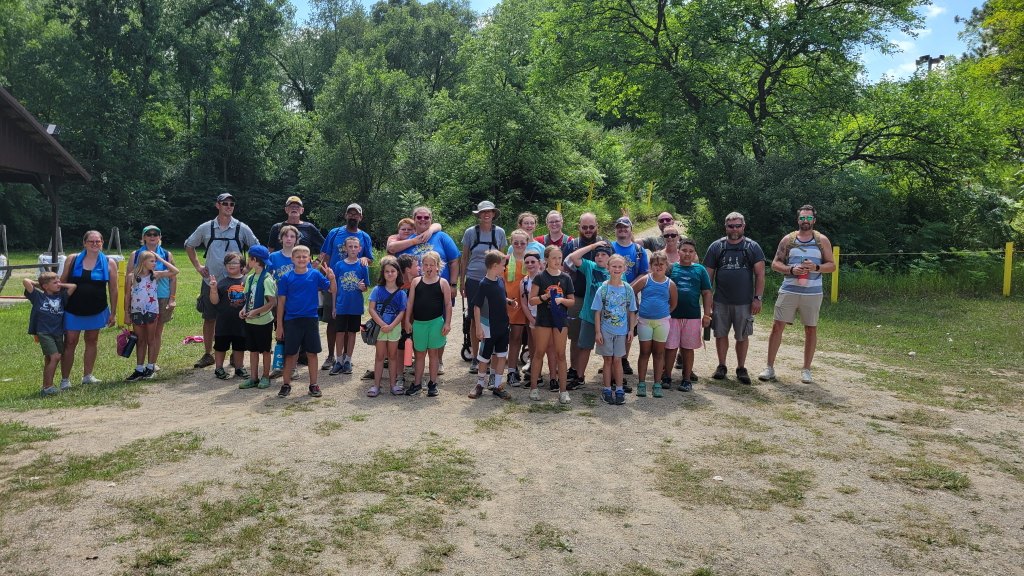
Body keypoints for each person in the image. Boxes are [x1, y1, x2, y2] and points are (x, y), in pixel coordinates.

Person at [760, 205, 835, 384]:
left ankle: (806, 370)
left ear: (814, 221)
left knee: (810, 329)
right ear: (798, 219)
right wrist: (791, 269)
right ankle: (769, 368)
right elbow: (775, 263)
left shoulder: (822, 240)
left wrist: (816, 267)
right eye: (802, 218)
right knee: (777, 326)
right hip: (789, 290)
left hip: (813, 293)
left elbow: (831, 265)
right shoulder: (788, 239)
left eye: (809, 218)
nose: (805, 221)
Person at [184, 193, 260, 369]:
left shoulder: (241, 228)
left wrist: (247, 269)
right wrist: (197, 266)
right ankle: (208, 354)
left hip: (236, 283)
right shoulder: (206, 228)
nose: (229, 206)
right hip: (211, 281)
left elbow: (256, 247)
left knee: (237, 318)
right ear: (217, 205)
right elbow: (189, 245)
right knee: (210, 317)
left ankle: (235, 354)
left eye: (232, 204)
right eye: (225, 203)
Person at [389, 206, 461, 374]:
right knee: (416, 325)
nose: (423, 220)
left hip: (440, 289)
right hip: (416, 290)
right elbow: (396, 257)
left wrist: (453, 285)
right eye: (419, 217)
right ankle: (418, 359)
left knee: (440, 324)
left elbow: (454, 261)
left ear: (431, 218)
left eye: (426, 217)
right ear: (414, 219)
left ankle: (439, 360)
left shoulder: (441, 237)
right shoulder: (408, 240)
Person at [702, 211, 765, 385]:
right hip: (720, 301)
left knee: (742, 336)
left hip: (744, 302)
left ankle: (741, 367)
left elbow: (760, 275)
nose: (735, 229)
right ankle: (721, 365)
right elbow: (708, 277)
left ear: (743, 226)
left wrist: (757, 298)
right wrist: (709, 300)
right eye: (731, 226)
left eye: (738, 225)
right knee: (720, 334)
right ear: (726, 227)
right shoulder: (716, 247)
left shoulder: (752, 247)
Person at [275, 246, 337, 398]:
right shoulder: (286, 278)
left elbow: (332, 290)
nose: (302, 259)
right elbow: (281, 303)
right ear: (292, 259)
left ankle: (314, 384)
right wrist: (279, 326)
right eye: (298, 257)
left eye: (305, 256)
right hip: (292, 320)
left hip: (310, 319)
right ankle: (286, 384)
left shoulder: (315, 275)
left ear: (309, 259)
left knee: (312, 353)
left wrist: (332, 278)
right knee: (290, 354)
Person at [60, 230, 119, 387]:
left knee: (92, 340)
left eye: (98, 241)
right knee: (70, 342)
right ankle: (65, 379)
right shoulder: (72, 259)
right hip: (73, 309)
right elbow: (61, 282)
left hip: (97, 309)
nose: (95, 244)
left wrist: (113, 312)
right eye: (91, 241)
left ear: (102, 243)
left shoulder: (109, 262)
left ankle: (87, 376)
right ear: (84, 243)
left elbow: (113, 289)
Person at [321, 203, 374, 370]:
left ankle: (346, 358)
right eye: (350, 213)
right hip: (334, 283)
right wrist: (323, 278)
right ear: (345, 215)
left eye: (356, 214)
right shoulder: (334, 233)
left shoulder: (364, 237)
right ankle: (332, 356)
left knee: (350, 326)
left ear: (361, 217)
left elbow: (368, 259)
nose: (353, 216)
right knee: (333, 321)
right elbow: (325, 255)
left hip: (353, 287)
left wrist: (366, 260)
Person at [459, 200, 507, 374]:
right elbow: (464, 258)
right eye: (483, 212)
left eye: (489, 212)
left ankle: (490, 354)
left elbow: (502, 259)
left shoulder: (500, 232)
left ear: (494, 214)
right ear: (478, 215)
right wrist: (461, 280)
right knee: (474, 318)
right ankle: (475, 357)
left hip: (493, 281)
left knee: (493, 317)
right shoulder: (470, 233)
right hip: (473, 279)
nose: (486, 215)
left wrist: (502, 279)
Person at [528, 245, 575, 404]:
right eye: (553, 258)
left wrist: (561, 300)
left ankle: (563, 391)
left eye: (559, 258)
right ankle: (534, 388)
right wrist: (546, 296)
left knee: (561, 354)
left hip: (560, 321)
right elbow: (531, 300)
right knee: (539, 353)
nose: (557, 261)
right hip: (544, 320)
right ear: (546, 260)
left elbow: (571, 302)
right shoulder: (540, 278)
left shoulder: (566, 278)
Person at [123, 250, 179, 381]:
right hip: (137, 311)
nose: (155, 263)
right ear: (143, 262)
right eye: (152, 261)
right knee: (140, 340)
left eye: (155, 261)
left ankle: (150, 367)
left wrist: (161, 259)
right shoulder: (131, 276)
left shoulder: (155, 275)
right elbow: (127, 295)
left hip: (151, 310)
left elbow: (175, 271)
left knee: (151, 339)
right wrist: (126, 313)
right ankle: (139, 369)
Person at [666, 239, 713, 392]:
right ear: (678, 252)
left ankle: (686, 379)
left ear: (694, 254)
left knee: (687, 348)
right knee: (670, 347)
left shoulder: (700, 270)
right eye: (684, 250)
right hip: (672, 315)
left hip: (692, 316)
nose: (687, 253)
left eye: (690, 251)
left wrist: (707, 314)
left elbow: (706, 292)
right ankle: (666, 377)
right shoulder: (671, 268)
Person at [404, 251, 453, 397]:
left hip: (436, 323)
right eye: (425, 264)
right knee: (419, 355)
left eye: (432, 264)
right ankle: (417, 383)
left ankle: (432, 383)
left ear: (438, 266)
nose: (429, 267)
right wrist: (407, 320)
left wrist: (448, 323)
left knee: (433, 355)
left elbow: (448, 304)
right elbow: (410, 303)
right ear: (422, 266)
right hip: (419, 324)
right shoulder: (416, 282)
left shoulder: (443, 282)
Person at [468, 250, 515, 400]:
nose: (504, 268)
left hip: (502, 326)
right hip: (488, 327)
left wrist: (508, 301)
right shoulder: (484, 284)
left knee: (501, 356)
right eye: (503, 265)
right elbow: (476, 306)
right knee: (484, 358)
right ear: (495, 266)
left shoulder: (500, 280)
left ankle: (497, 386)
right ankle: (480, 384)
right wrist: (479, 327)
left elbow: (500, 296)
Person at [565, 241, 612, 390]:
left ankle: (612, 378)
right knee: (584, 347)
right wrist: (593, 245)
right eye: (597, 255)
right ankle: (579, 377)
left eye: (603, 254)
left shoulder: (615, 271)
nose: (599, 257)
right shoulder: (590, 267)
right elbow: (573, 257)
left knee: (609, 351)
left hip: (608, 319)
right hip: (589, 316)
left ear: (610, 258)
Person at [562, 212, 603, 384]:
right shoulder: (572, 245)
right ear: (579, 227)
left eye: (591, 227)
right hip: (578, 297)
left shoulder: (605, 244)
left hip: (601, 300)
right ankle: (574, 370)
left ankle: (613, 373)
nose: (588, 230)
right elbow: (565, 267)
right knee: (576, 336)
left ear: (597, 227)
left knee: (606, 335)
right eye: (584, 227)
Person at [631, 251, 677, 397]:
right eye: (655, 265)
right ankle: (642, 383)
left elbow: (674, 303)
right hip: (644, 321)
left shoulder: (670, 284)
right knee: (644, 352)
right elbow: (632, 291)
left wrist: (663, 312)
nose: (658, 267)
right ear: (651, 266)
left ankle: (657, 383)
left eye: (661, 264)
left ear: (666, 266)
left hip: (662, 322)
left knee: (658, 353)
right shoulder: (645, 279)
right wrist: (636, 309)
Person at [593, 255, 638, 405]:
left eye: (620, 267)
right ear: (608, 267)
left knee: (618, 360)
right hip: (605, 330)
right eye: (614, 266)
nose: (617, 269)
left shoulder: (628, 289)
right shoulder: (603, 288)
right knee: (607, 360)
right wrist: (598, 332)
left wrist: (631, 330)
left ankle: (619, 389)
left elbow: (632, 311)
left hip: (622, 331)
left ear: (624, 269)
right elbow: (597, 311)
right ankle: (606, 389)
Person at [23, 272, 76, 395]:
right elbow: (26, 281)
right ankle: (48, 387)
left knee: (50, 359)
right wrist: (40, 285)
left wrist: (58, 284)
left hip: (57, 332)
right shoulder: (37, 296)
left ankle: (47, 385)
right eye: (55, 283)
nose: (58, 284)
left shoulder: (61, 296)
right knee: (55, 357)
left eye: (59, 282)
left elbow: (73, 286)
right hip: (44, 332)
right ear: (45, 286)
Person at [610, 216, 648, 376]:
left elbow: (644, 273)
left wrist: (628, 288)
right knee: (610, 326)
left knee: (628, 327)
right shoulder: (609, 247)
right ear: (615, 230)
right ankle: (610, 358)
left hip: (631, 295)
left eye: (625, 227)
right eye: (619, 227)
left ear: (631, 229)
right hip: (610, 295)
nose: (622, 230)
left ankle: (623, 359)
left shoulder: (639, 251)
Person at [366, 256, 408, 397]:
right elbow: (371, 309)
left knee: (393, 356)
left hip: (394, 328)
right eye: (387, 271)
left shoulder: (401, 293)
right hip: (380, 328)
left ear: (398, 273)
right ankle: (376, 385)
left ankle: (393, 385)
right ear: (383, 274)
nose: (390, 274)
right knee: (379, 356)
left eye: (393, 271)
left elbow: (402, 312)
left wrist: (391, 325)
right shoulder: (377, 290)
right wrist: (383, 324)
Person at [329, 236, 370, 375]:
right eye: (350, 246)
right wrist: (334, 306)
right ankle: (339, 360)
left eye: (355, 246)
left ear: (360, 249)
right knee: (339, 333)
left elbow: (366, 288)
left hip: (355, 306)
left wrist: (362, 287)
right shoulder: (339, 265)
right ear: (345, 248)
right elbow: (335, 288)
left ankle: (348, 360)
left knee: (352, 333)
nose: (353, 249)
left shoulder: (363, 266)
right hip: (341, 305)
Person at [239, 246, 277, 390]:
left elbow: (272, 302)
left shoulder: (267, 279)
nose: (248, 261)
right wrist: (243, 310)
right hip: (250, 321)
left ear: (255, 260)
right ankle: (253, 377)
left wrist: (256, 312)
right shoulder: (250, 277)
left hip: (263, 322)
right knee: (253, 350)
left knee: (265, 351)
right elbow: (247, 298)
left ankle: (265, 377)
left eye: (249, 258)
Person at [208, 252, 248, 381]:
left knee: (239, 346)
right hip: (223, 322)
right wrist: (213, 289)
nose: (231, 265)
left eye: (235, 262)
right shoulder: (222, 283)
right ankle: (219, 367)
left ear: (241, 265)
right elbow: (214, 301)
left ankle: (239, 367)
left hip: (241, 322)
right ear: (225, 266)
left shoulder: (246, 281)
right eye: (229, 263)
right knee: (220, 346)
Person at [504, 230, 532, 387]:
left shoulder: (532, 261)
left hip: (529, 305)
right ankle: (511, 371)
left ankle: (533, 369)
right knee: (514, 339)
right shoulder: (505, 261)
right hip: (510, 306)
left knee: (533, 339)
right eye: (516, 243)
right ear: (511, 243)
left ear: (527, 243)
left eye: (523, 243)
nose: (519, 245)